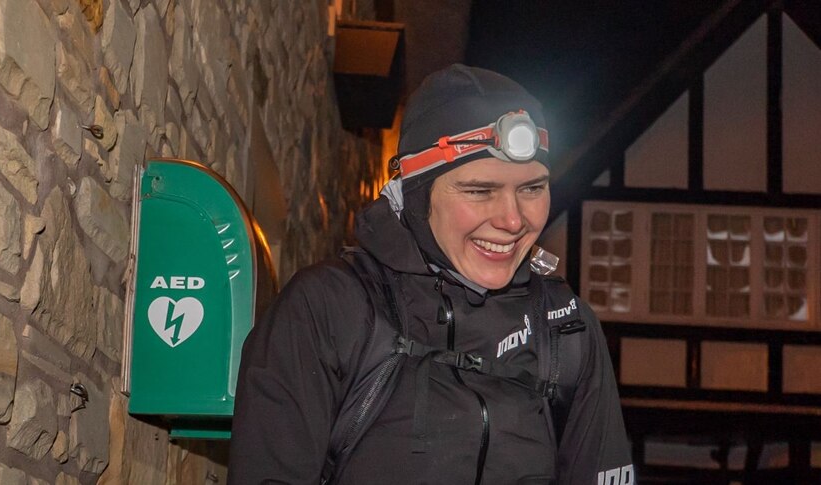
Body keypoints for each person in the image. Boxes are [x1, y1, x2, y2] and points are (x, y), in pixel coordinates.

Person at [229, 64, 634, 485]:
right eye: (480, 190)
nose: (513, 220)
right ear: (418, 196)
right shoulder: (328, 308)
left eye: (532, 188)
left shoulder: (566, 331)